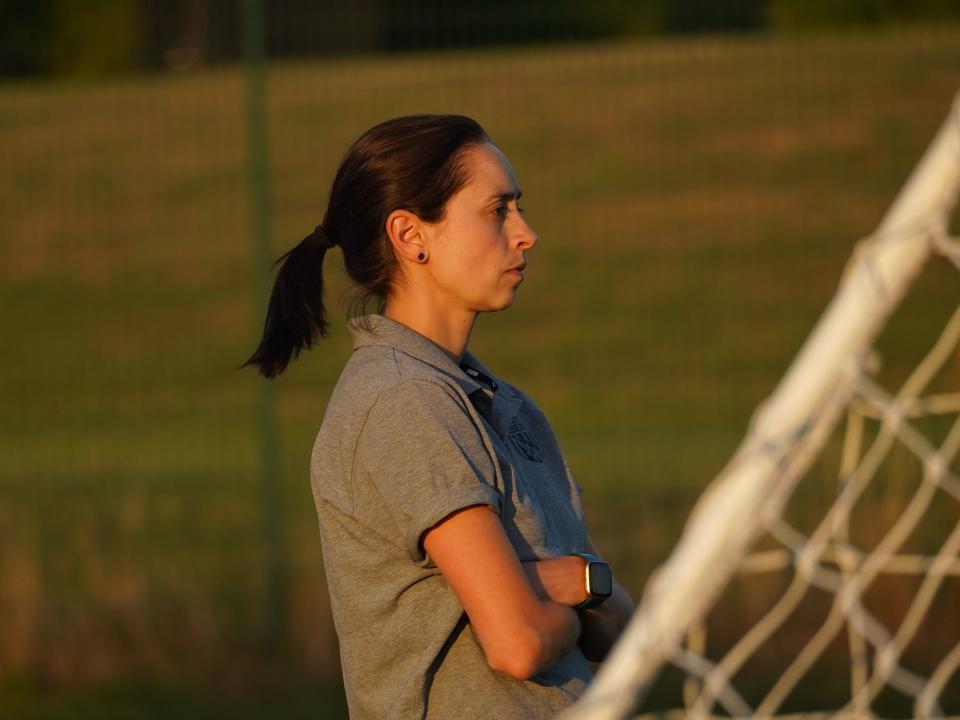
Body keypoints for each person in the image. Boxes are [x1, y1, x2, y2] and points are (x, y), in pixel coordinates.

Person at [244, 114, 634, 719]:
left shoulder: (504, 405)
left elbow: (624, 629)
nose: (526, 233)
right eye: (497, 210)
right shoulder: (402, 402)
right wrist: (576, 594)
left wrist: (578, 579)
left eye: (518, 208)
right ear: (410, 235)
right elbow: (518, 642)